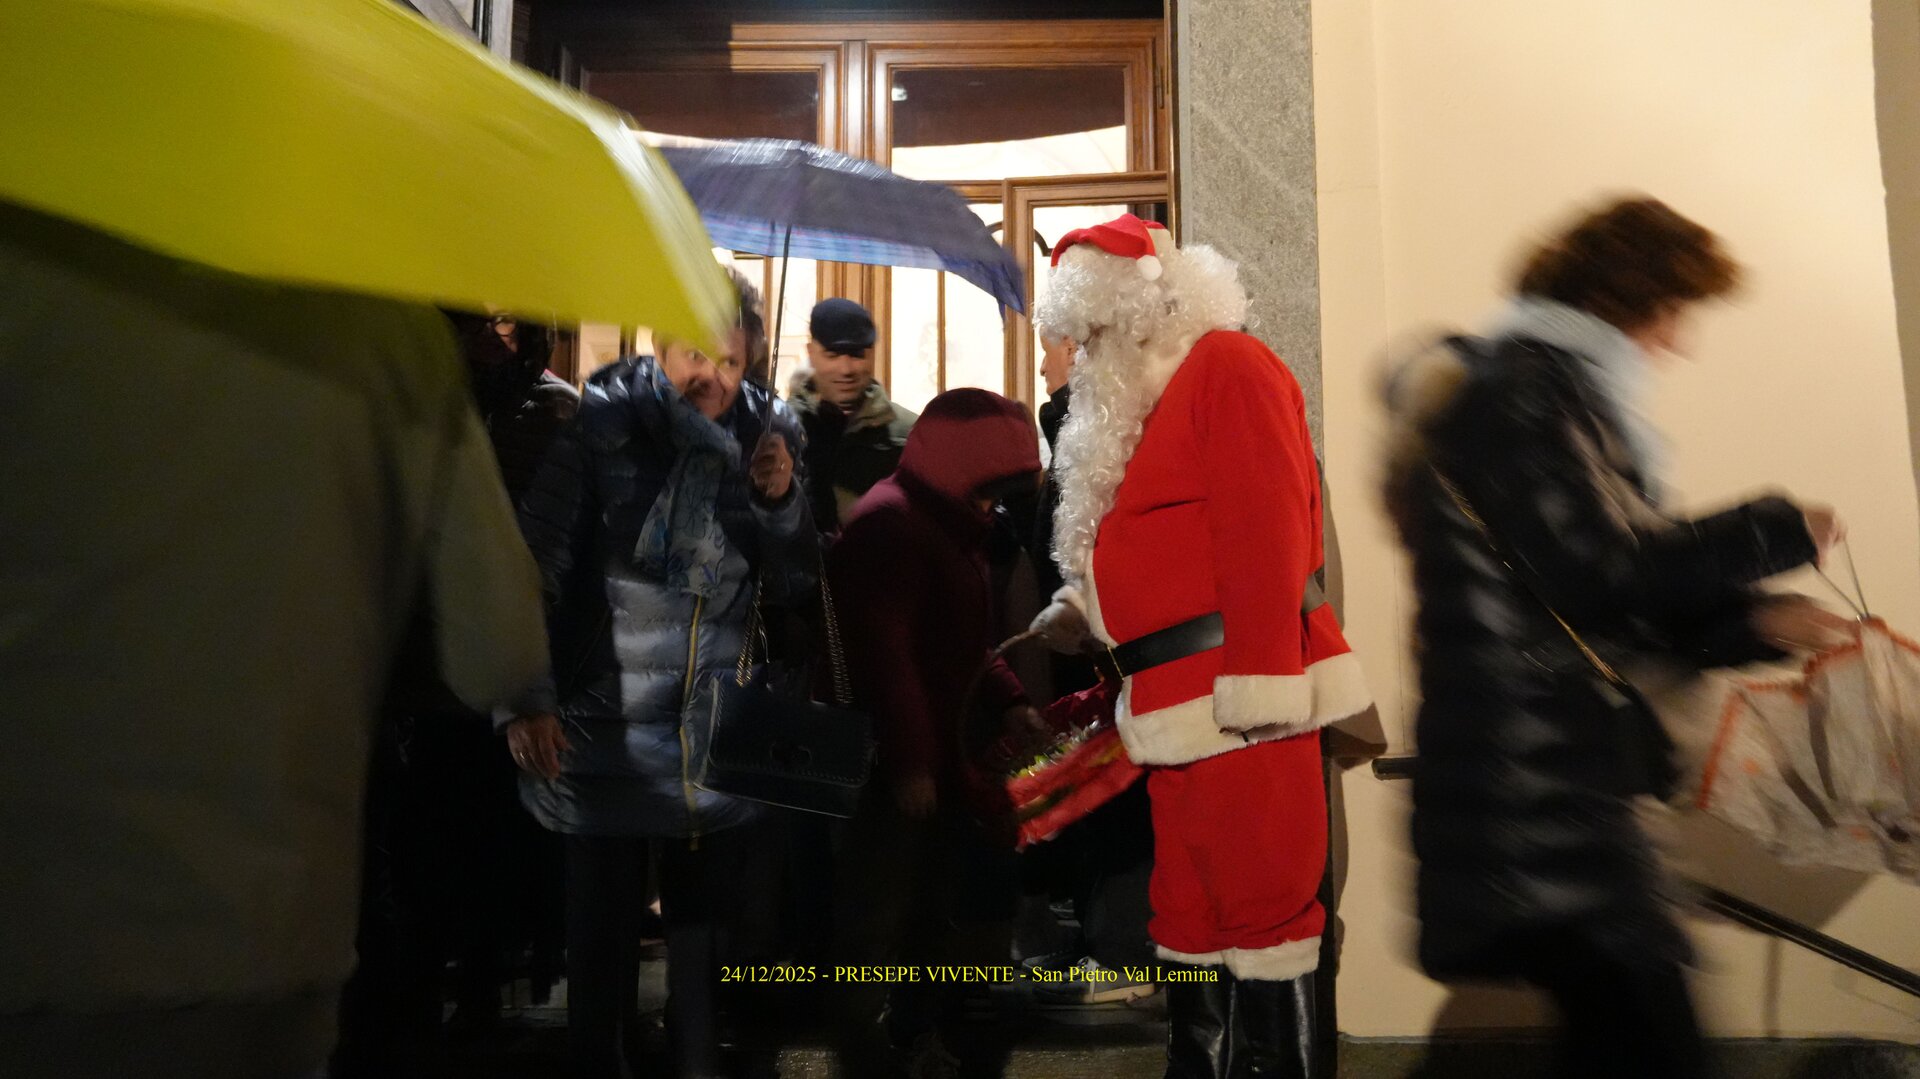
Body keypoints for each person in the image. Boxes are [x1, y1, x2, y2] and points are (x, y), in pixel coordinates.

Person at [0, 199, 549, 1079]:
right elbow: (501, 647)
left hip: (38, 924)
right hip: (269, 928)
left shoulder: (26, 272)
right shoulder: (385, 333)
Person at [1380, 196, 1851, 1079]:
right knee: (1649, 1033)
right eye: (1674, 312)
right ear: (1626, 299)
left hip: (1554, 778)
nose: (1680, 342)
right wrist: (1777, 527)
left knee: (1628, 1031)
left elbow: (1605, 596)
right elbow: (1604, 569)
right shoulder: (1524, 393)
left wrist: (1756, 622)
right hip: (1536, 786)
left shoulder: (1548, 394)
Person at [1029, 213, 1372, 1078]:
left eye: (1088, 335)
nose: (1077, 358)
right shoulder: (1142, 405)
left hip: (1239, 699)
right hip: (1172, 712)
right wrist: (1084, 607)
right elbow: (1157, 538)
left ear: (1131, 314)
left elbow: (1268, 535)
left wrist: (1262, 685)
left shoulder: (1227, 367)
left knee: (1265, 914)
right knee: (1186, 913)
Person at [503, 268, 815, 1079]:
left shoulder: (769, 434)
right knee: (600, 947)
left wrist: (781, 502)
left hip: (712, 727)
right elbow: (531, 566)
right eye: (693, 356)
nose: (712, 377)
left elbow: (795, 582)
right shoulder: (599, 425)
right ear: (658, 347)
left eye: (732, 361)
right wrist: (524, 697)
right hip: (599, 721)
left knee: (703, 951)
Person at [332, 308, 583, 1075]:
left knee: (493, 851)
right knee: (419, 856)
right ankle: (420, 1001)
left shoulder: (555, 412)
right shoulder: (413, 405)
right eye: (479, 322)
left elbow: (554, 553)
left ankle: (480, 991)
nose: (492, 339)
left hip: (506, 666)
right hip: (414, 676)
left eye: (508, 322)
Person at [827, 388, 1045, 1078]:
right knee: (879, 922)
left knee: (929, 916)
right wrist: (912, 764)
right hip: (891, 771)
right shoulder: (893, 525)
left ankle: (913, 1043)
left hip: (937, 760)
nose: (994, 505)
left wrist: (1010, 702)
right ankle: (871, 1059)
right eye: (989, 488)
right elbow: (886, 657)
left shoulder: (945, 523)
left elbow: (964, 641)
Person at [1021, 331, 1158, 1005]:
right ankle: (1103, 939)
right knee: (1094, 799)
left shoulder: (1102, 426)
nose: (1042, 362)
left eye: (1050, 348)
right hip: (1086, 650)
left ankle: (1123, 951)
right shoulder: (1077, 423)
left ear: (1077, 350)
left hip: (1108, 652)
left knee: (1115, 802)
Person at [791, 297, 917, 535]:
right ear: (811, 353)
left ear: (872, 354)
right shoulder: (781, 427)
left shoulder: (909, 434)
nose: (846, 369)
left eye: (857, 355)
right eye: (832, 355)